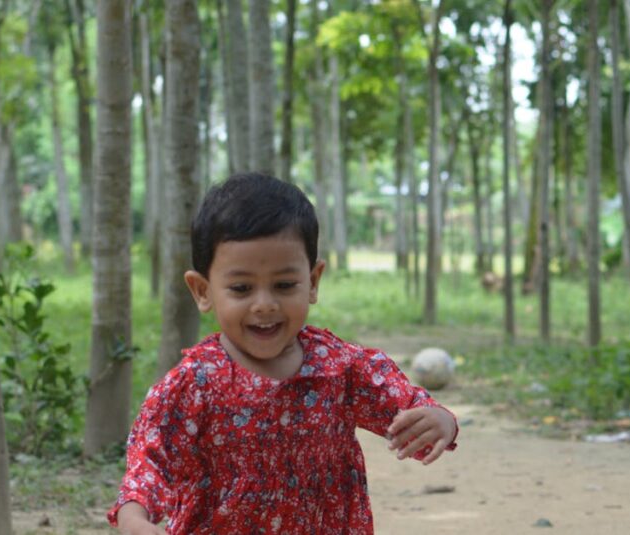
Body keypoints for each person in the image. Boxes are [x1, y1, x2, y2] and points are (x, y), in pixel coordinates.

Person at [108, 173, 459, 534]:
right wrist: (134, 518)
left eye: (284, 285)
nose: (265, 304)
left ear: (313, 281)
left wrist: (439, 420)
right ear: (202, 290)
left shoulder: (340, 368)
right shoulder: (193, 384)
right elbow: (150, 463)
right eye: (241, 288)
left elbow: (407, 409)